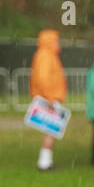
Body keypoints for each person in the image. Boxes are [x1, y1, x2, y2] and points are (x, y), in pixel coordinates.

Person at [29, 30, 66, 171]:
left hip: (50, 97)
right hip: (49, 99)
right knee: (51, 131)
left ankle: (46, 161)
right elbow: (43, 78)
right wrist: (49, 98)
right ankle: (44, 163)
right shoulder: (46, 55)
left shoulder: (47, 55)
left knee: (51, 131)